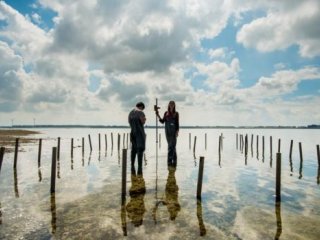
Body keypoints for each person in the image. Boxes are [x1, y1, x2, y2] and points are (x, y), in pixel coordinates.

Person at [156, 100, 179, 166]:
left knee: (171, 147)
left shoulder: (176, 113)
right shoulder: (166, 113)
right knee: (172, 147)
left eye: (173, 104)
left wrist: (177, 131)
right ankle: (174, 162)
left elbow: (177, 123)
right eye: (170, 104)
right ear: (168, 105)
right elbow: (162, 121)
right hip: (167, 132)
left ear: (174, 105)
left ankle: (170, 162)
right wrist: (158, 115)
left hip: (173, 132)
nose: (171, 105)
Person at [128, 102, 146, 174]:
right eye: (142, 108)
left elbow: (129, 122)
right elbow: (143, 121)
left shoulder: (130, 113)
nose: (142, 109)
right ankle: (139, 168)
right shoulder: (141, 112)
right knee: (140, 150)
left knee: (133, 150)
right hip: (139, 133)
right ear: (141, 107)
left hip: (132, 133)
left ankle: (132, 166)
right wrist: (144, 120)